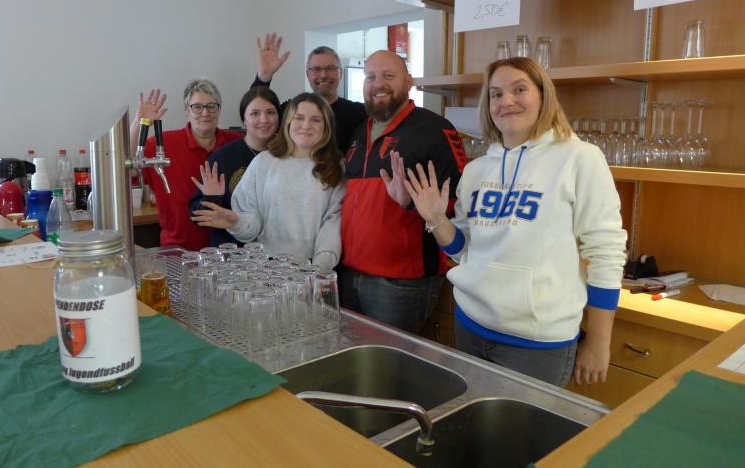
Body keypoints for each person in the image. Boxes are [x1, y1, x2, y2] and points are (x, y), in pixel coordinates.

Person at [403, 57, 627, 387]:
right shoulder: (476, 171)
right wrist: (436, 219)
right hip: (470, 325)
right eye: (495, 94)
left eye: (519, 89)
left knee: (526, 424)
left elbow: (606, 252)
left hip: (536, 344)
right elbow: (464, 251)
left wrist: (598, 341)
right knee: (472, 417)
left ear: (543, 96)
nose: (506, 101)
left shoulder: (580, 158)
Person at [339, 50, 466, 335]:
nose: (378, 83)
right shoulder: (358, 132)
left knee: (390, 362)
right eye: (370, 77)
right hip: (350, 274)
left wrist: (410, 203)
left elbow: (460, 203)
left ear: (408, 81)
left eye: (388, 75)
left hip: (401, 283)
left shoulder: (434, 129)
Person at [191, 92, 345, 270]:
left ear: (326, 126)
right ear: (288, 122)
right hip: (264, 267)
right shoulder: (263, 161)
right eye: (299, 118)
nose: (306, 125)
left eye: (316, 119)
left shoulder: (336, 167)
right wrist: (234, 221)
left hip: (312, 267)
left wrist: (318, 270)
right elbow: (251, 224)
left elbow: (333, 226)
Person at [131, 79, 243, 251]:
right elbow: (129, 166)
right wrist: (139, 123)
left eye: (211, 106)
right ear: (186, 111)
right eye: (197, 107)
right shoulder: (162, 144)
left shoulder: (236, 143)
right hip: (178, 252)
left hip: (229, 252)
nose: (205, 113)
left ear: (219, 109)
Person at [187, 86, 281, 247]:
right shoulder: (223, 157)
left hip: (278, 253)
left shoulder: (288, 157)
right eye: (255, 113)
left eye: (270, 112)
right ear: (244, 119)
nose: (264, 119)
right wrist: (212, 198)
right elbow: (197, 216)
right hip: (232, 253)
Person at [251, 33, 366, 154]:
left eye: (330, 68)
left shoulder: (358, 113)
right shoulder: (291, 109)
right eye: (316, 69)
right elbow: (254, 112)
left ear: (340, 73)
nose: (323, 75)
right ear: (307, 74)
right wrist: (263, 78)